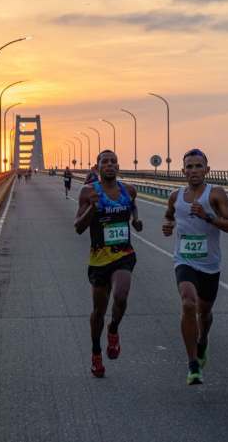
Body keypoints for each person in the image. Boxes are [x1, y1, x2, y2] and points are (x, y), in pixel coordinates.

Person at [162, 149, 228, 385]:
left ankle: (203, 339)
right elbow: (169, 215)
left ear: (207, 169)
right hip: (184, 260)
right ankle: (193, 364)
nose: (194, 171)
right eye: (189, 166)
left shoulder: (215, 194)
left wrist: (208, 217)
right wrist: (168, 225)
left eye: (198, 166)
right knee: (188, 303)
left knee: (204, 314)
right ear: (182, 170)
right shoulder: (176, 196)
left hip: (210, 265)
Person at [74, 150, 144, 378]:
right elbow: (78, 227)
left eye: (114, 161)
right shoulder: (88, 192)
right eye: (105, 162)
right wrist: (93, 209)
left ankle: (113, 329)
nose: (110, 165)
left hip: (124, 254)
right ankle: (96, 352)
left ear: (118, 167)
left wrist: (135, 220)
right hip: (99, 259)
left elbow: (132, 204)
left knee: (121, 295)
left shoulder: (128, 190)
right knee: (98, 310)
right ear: (98, 167)